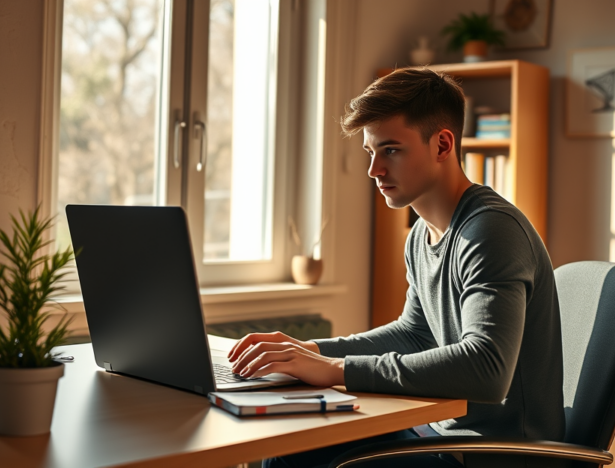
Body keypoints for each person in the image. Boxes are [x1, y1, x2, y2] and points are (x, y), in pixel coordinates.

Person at [227, 68, 565, 468]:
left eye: (391, 150)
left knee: (293, 461)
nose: (374, 171)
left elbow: (487, 368)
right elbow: (414, 334)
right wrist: (307, 351)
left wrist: (335, 369)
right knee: (289, 447)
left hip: (494, 455)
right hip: (440, 433)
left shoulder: (490, 231)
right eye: (371, 152)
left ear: (442, 144)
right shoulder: (421, 235)